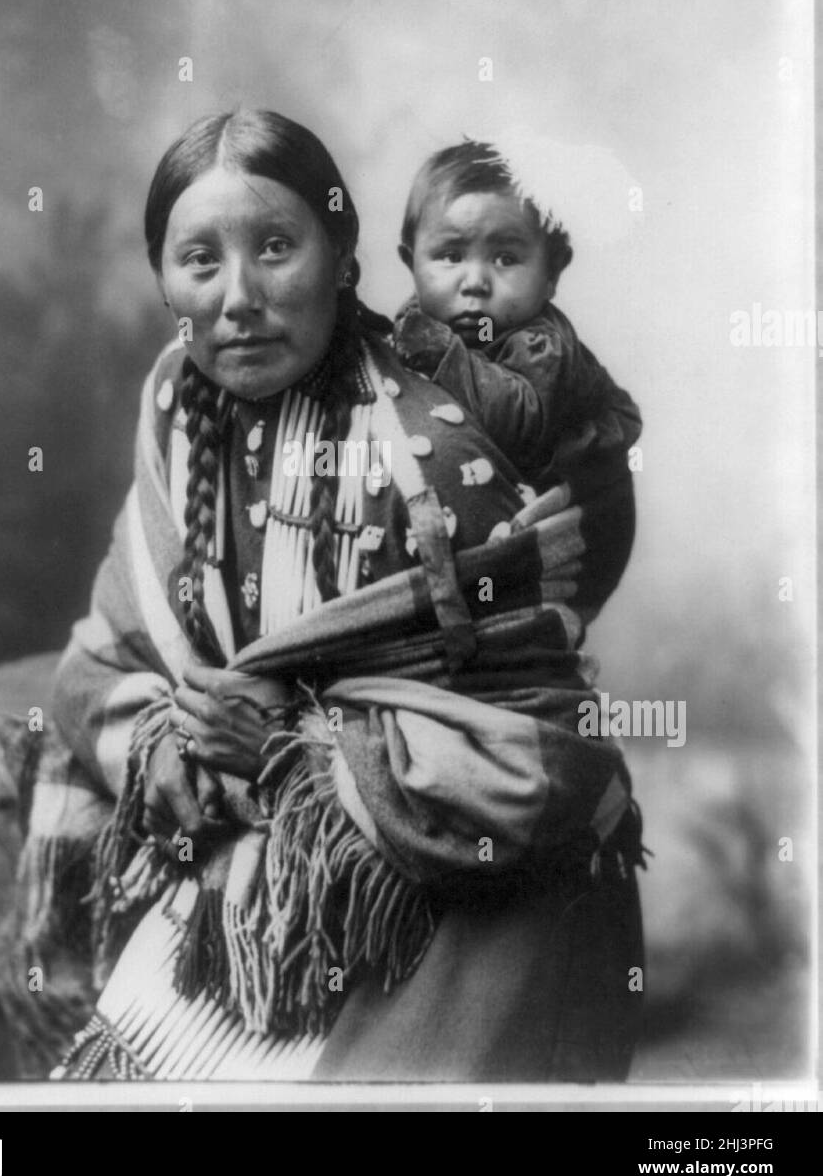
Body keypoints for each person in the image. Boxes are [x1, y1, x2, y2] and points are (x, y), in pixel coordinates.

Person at [37, 109, 644, 1083]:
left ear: (344, 257)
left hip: (450, 898)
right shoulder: (176, 416)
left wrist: (292, 752)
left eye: (276, 247)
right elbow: (106, 653)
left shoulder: (426, 451)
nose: (240, 297)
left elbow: (542, 758)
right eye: (200, 259)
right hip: (251, 864)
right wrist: (171, 741)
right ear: (163, 281)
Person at [393, 140, 641, 506]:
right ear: (411, 262)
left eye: (506, 259)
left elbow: (520, 425)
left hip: (583, 485)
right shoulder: (434, 315)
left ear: (551, 275)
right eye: (450, 256)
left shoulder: (540, 343)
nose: (475, 281)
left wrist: (444, 355)